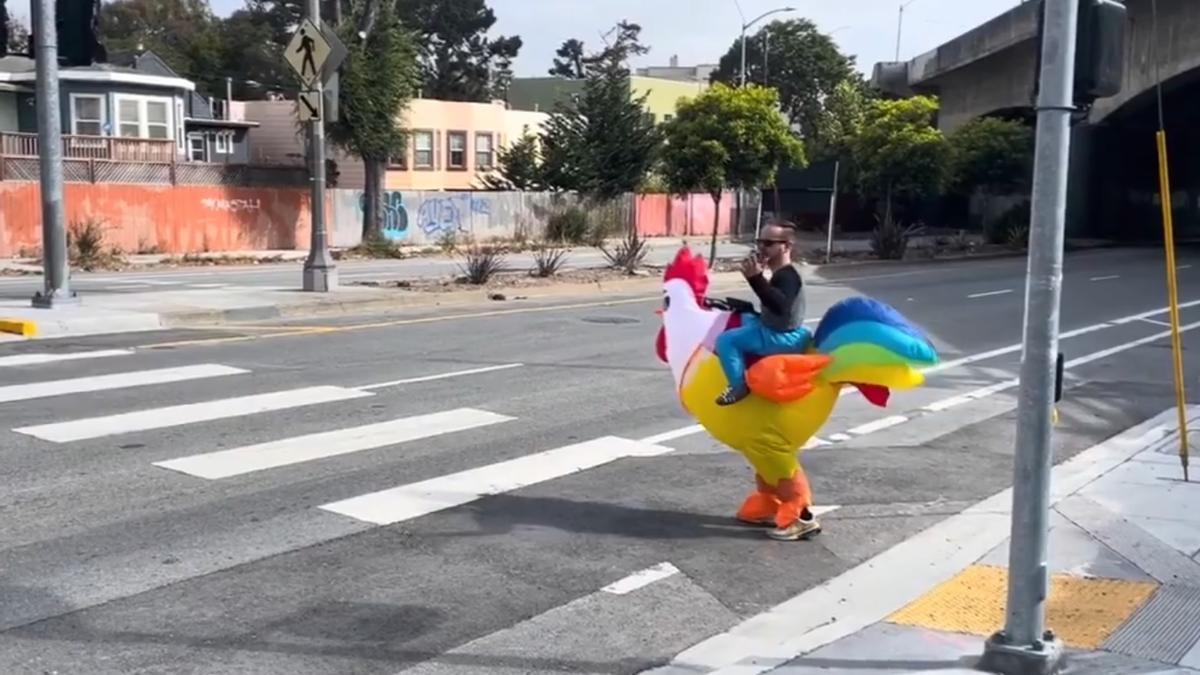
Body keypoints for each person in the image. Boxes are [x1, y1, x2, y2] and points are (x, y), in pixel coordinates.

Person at [715, 221, 810, 406]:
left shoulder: (787, 276)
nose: (761, 248)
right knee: (744, 318)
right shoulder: (780, 274)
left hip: (781, 337)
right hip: (778, 329)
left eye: (768, 243)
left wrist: (756, 280)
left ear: (786, 246)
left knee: (725, 340)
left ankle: (738, 385)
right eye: (759, 242)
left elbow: (780, 306)